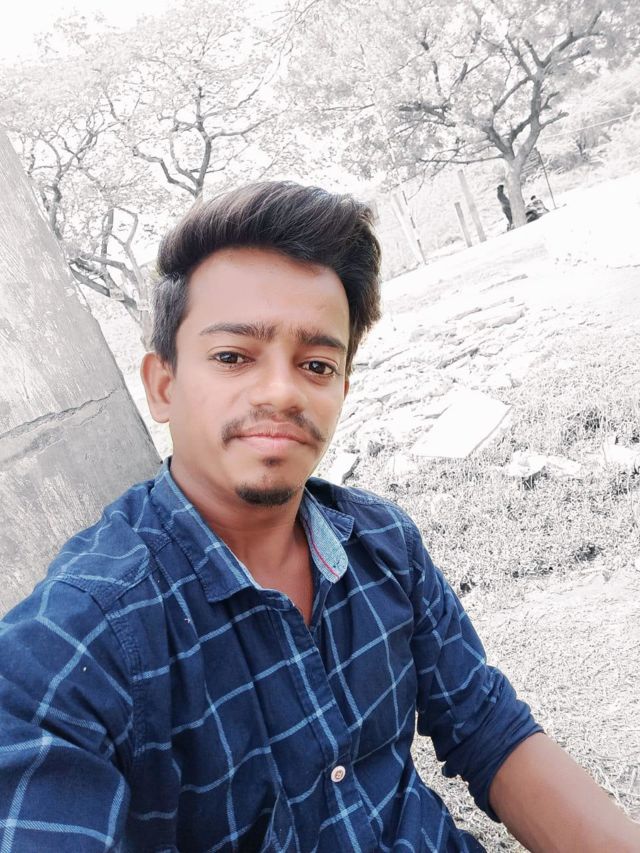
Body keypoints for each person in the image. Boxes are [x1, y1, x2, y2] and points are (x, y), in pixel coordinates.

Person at [1, 182, 639, 853]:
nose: (282, 391)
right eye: (232, 356)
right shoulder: (76, 642)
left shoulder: (383, 544)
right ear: (164, 384)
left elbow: (489, 729)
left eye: (316, 364)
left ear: (341, 387)